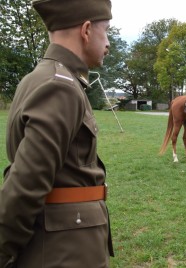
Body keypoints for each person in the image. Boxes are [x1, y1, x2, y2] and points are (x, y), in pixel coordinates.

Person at [0, 0, 113, 267]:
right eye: (106, 30)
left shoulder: (40, 78)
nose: (108, 42)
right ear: (86, 30)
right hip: (64, 252)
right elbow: (26, 184)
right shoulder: (60, 86)